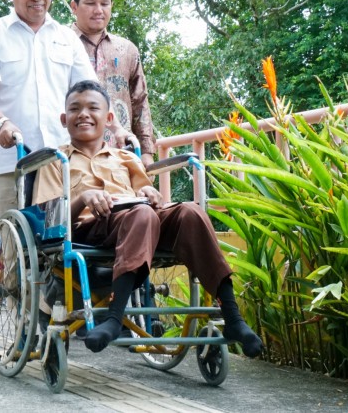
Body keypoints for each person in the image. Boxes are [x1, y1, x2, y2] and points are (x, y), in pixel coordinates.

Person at [34, 80, 264, 357]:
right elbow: (50, 221)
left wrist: (149, 192)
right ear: (64, 119)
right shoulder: (55, 161)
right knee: (141, 214)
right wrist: (83, 197)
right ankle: (115, 317)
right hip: (87, 230)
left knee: (190, 212)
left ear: (109, 119)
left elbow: (148, 197)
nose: (83, 114)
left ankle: (233, 318)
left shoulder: (126, 159)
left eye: (92, 108)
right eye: (75, 109)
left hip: (137, 222)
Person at [0, 0, 98, 216]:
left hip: (63, 160)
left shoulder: (67, 38)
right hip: (12, 162)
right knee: (17, 238)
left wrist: (115, 128)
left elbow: (90, 92)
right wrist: (1, 123)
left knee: (66, 234)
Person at [70, 0, 156, 168]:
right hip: (74, 157)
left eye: (104, 4)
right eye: (90, 3)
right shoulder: (60, 45)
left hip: (122, 155)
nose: (98, 10)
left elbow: (140, 102)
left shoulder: (127, 50)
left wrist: (146, 152)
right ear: (74, 6)